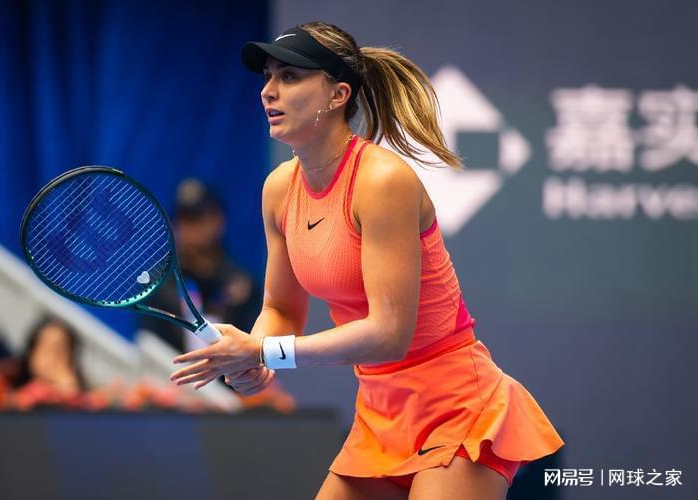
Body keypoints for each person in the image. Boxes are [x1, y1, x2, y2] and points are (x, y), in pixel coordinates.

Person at [171, 22, 564, 499]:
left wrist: (265, 352)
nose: (268, 91)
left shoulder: (382, 181)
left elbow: (388, 334)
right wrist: (255, 354)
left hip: (456, 406)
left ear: (338, 95)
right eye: (268, 76)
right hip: (379, 412)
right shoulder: (278, 189)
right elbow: (281, 308)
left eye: (289, 76)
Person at [140, 178, 262, 352]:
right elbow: (151, 347)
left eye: (200, 217)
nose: (193, 228)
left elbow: (255, 347)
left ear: (219, 220)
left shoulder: (244, 285)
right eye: (185, 219)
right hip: (171, 368)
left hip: (232, 369)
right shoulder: (158, 284)